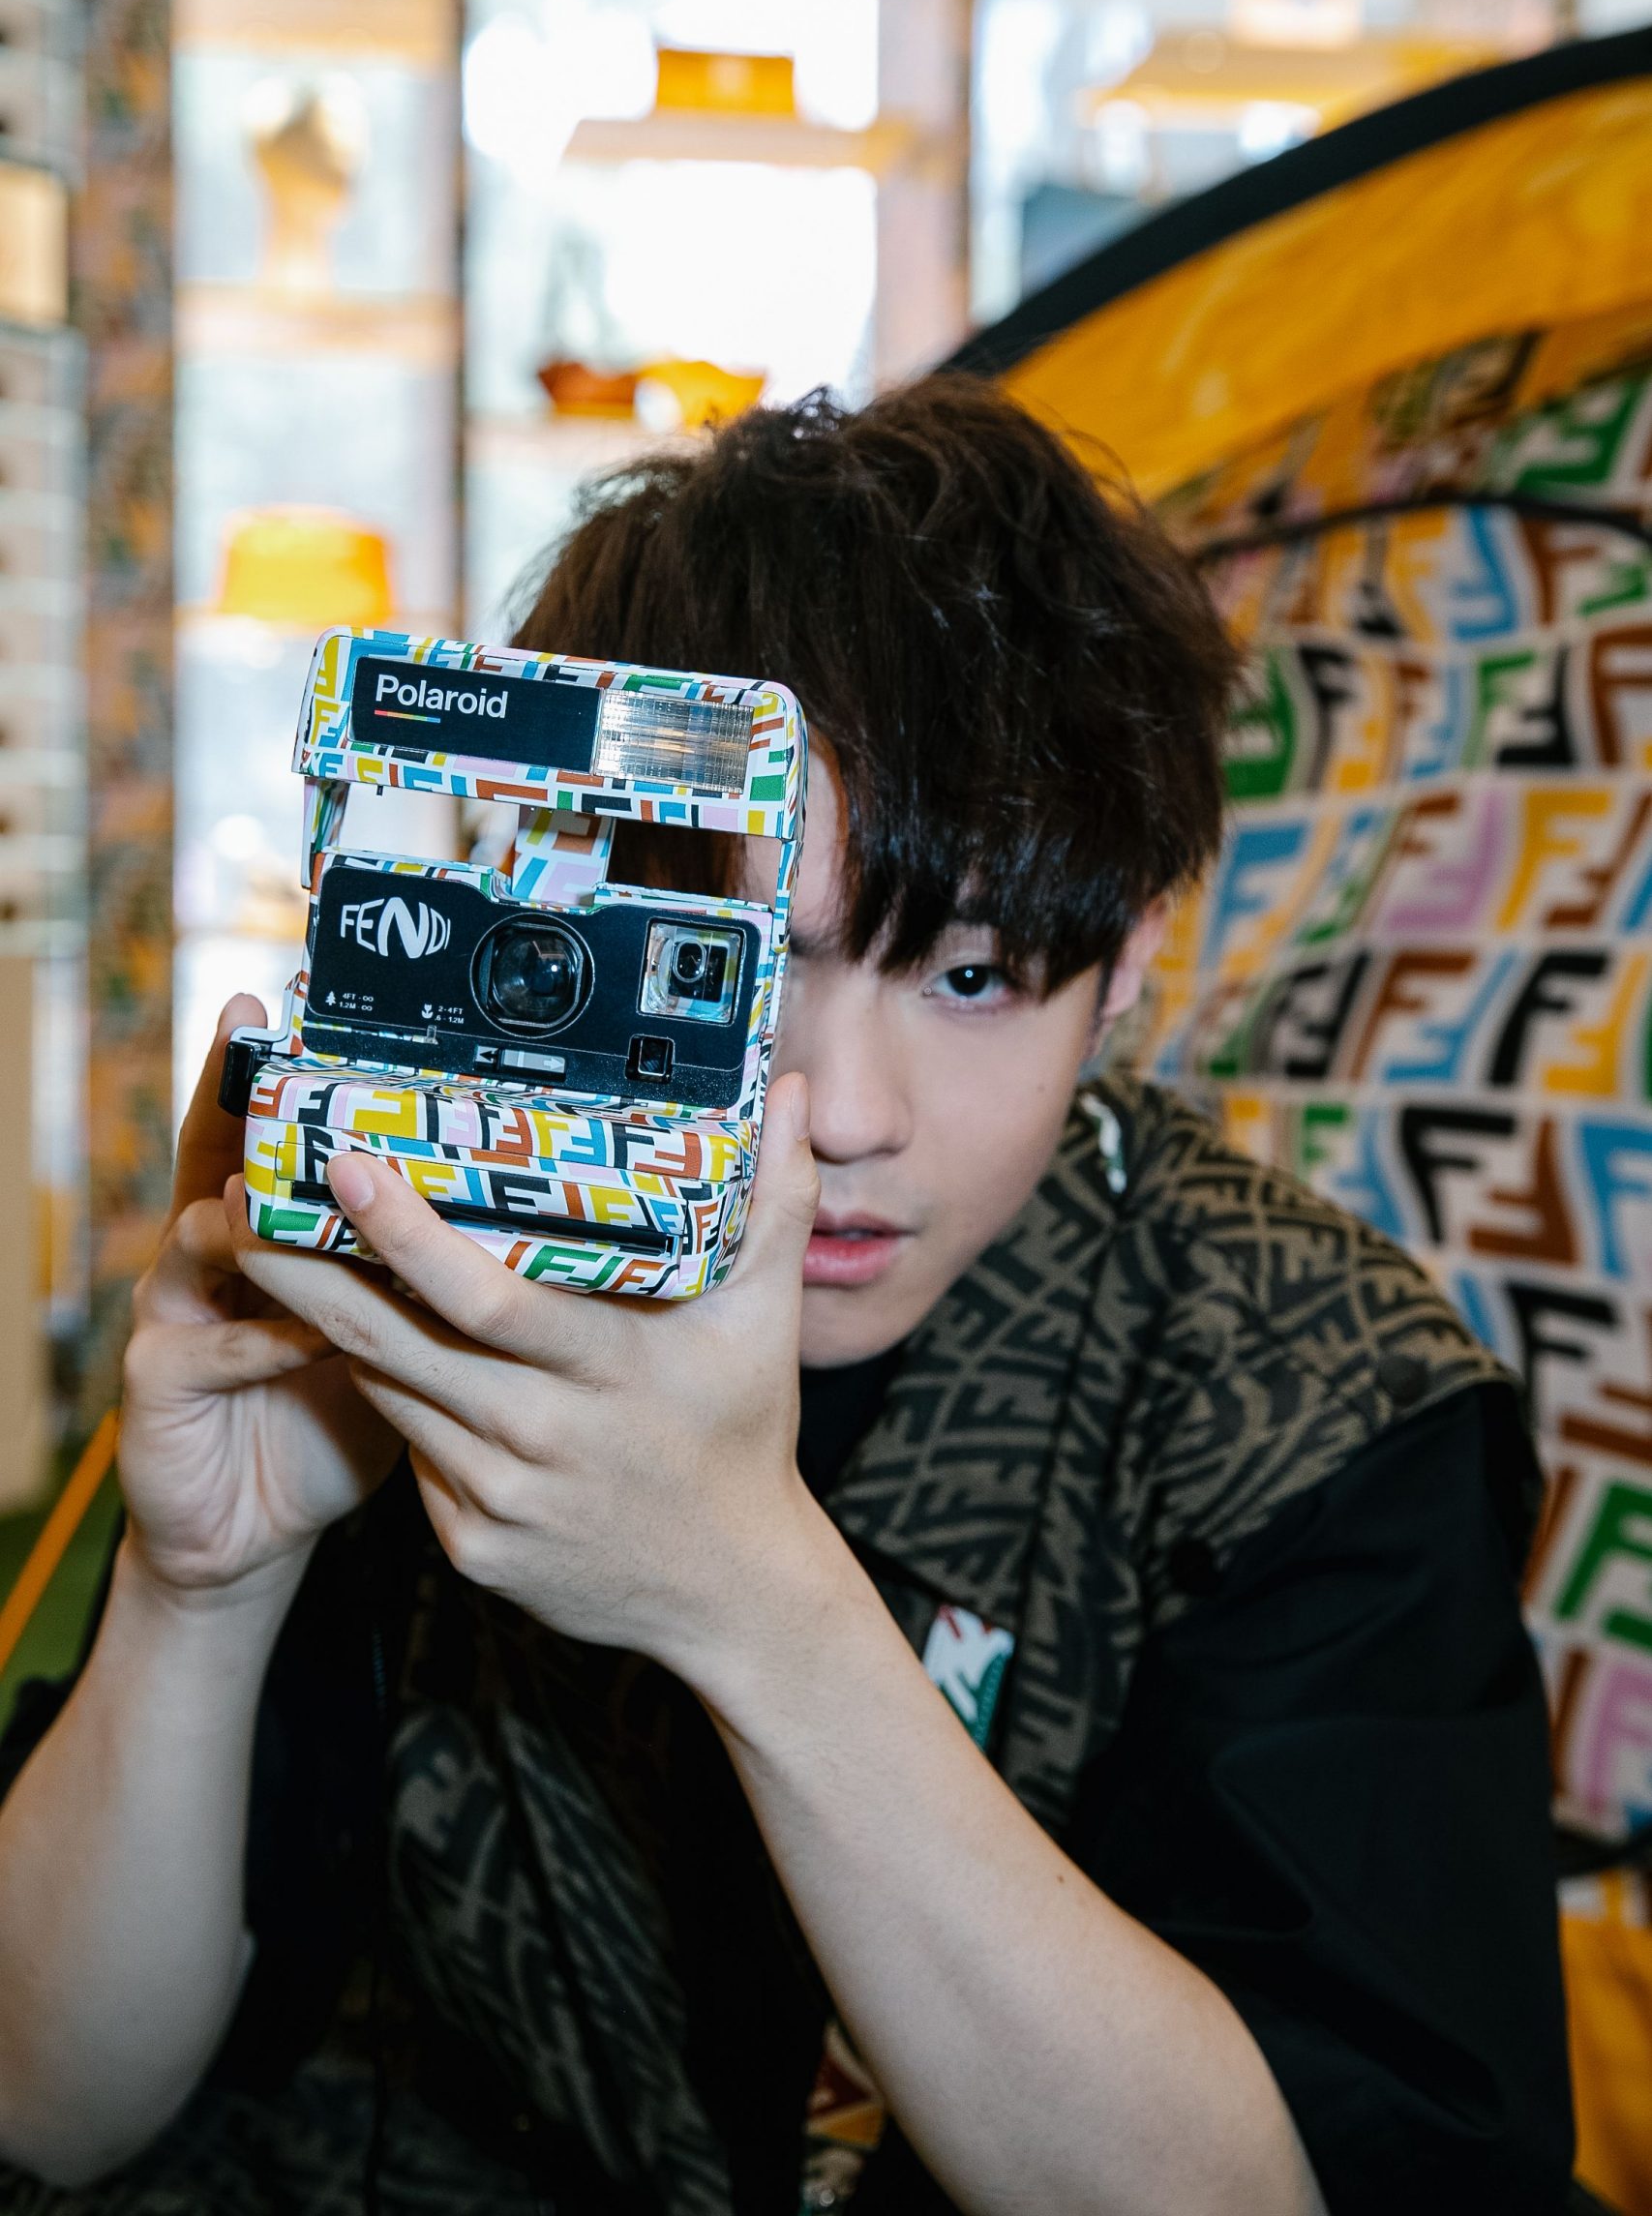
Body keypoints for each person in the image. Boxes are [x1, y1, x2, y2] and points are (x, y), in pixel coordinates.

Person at [0, 378, 1572, 2216]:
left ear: (1136, 953)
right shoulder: (445, 1258)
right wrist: (199, 1591)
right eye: (735, 965)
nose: (839, 1113)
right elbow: (44, 2103)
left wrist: (751, 1600)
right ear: (565, 896)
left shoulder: (1314, 1397)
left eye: (974, 977)